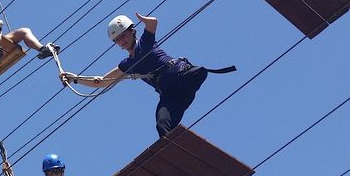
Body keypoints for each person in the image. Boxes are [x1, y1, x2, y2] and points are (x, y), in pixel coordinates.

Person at [58, 14, 235, 138]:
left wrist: (145, 20)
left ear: (132, 31)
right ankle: (172, 152)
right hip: (171, 96)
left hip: (180, 76)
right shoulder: (127, 65)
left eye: (123, 36)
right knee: (162, 124)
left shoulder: (145, 43)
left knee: (188, 74)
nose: (122, 41)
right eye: (117, 40)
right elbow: (102, 82)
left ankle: (196, 73)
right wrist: (75, 78)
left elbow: (153, 24)